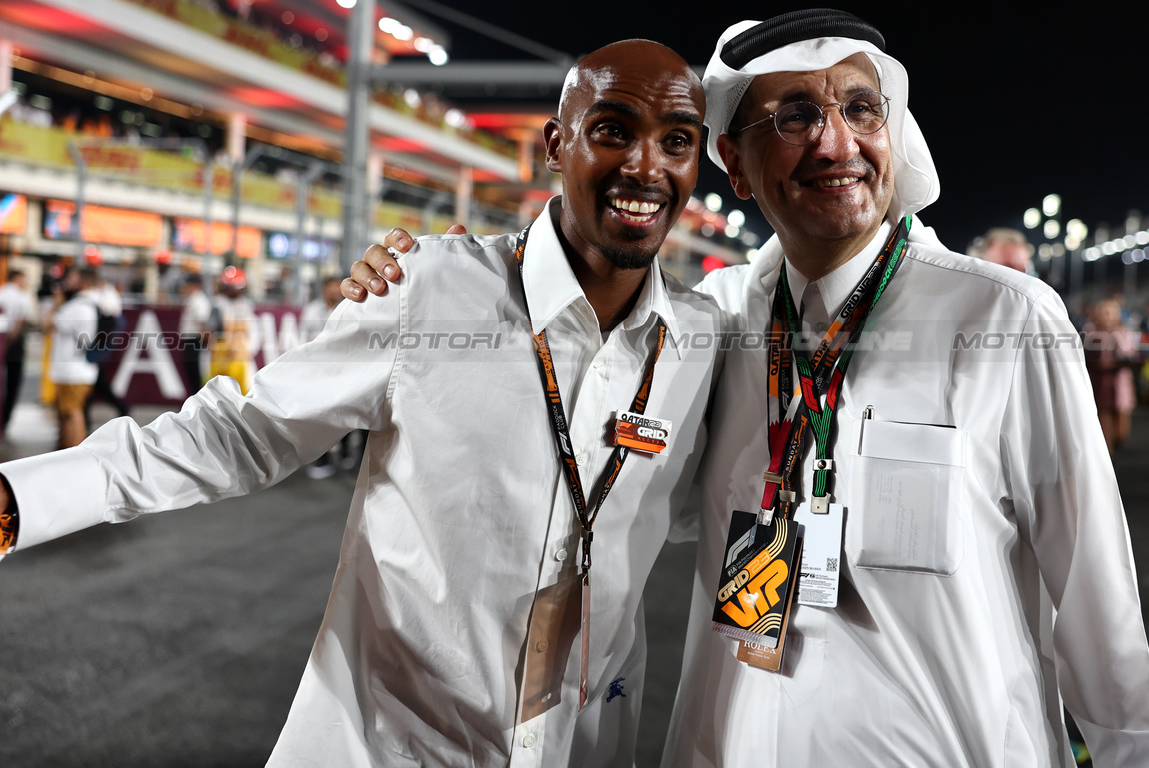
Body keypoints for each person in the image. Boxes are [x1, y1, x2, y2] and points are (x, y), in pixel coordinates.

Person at [347, 9, 1149, 767]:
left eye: (860, 110)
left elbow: (1091, 570)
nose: (835, 143)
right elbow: (586, 405)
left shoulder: (1001, 316)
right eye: (795, 117)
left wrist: (1129, 747)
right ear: (737, 167)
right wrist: (456, 281)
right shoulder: (706, 323)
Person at [0, 39, 720, 767]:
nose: (645, 165)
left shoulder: (704, 342)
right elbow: (243, 435)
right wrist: (20, 496)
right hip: (388, 747)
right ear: (555, 147)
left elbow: (709, 506)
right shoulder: (427, 288)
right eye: (613, 130)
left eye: (678, 142)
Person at [300, 276, 354, 479]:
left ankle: (346, 452)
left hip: (343, 370)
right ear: (323, 290)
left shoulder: (349, 308)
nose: (333, 293)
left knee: (345, 413)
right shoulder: (312, 310)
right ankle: (320, 459)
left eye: (336, 289)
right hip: (318, 371)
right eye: (330, 289)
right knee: (319, 417)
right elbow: (306, 339)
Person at [43, 266, 98, 448]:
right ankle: (69, 451)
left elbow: (47, 324)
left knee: (73, 413)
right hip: (78, 368)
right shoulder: (90, 303)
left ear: (84, 281)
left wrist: (57, 302)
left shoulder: (78, 307)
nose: (67, 281)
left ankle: (75, 453)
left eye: (72, 277)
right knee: (68, 414)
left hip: (73, 370)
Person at [1084, 295, 1140, 455]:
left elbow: (1132, 357)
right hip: (1099, 382)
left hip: (1120, 382)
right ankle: (1109, 457)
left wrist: (1114, 362)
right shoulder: (1090, 332)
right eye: (1103, 312)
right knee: (1104, 421)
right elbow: (1085, 356)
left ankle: (1114, 447)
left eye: (1110, 312)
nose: (1106, 316)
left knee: (1122, 431)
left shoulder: (1125, 333)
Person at [81, 272, 130, 424]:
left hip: (100, 341)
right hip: (100, 340)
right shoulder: (101, 295)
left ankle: (120, 407)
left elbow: (110, 318)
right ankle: (86, 416)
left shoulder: (106, 295)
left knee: (96, 380)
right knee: (94, 380)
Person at [206, 265, 257, 395]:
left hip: (240, 357)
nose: (235, 291)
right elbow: (210, 331)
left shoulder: (245, 305)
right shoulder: (217, 304)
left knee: (242, 391)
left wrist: (248, 348)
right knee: (216, 391)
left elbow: (253, 331)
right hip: (221, 356)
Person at [0, 269, 32, 436]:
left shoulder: (1, 292)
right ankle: (5, 422)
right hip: (14, 344)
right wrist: (9, 342)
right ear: (17, 278)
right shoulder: (22, 297)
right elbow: (20, 323)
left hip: (2, 341)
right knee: (13, 382)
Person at [176, 273, 212, 395]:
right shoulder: (193, 299)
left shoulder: (199, 300)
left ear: (195, 286)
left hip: (195, 339)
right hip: (190, 339)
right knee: (191, 371)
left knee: (196, 372)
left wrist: (205, 343)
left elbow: (203, 322)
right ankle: (194, 397)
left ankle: (198, 399)